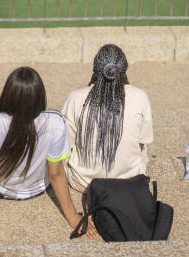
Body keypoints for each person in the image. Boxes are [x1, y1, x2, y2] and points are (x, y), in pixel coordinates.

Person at [0, 67, 93, 243]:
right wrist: (73, 217)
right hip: (38, 188)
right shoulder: (55, 122)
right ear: (40, 96)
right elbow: (55, 174)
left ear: (8, 94)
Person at [61, 45, 154, 194]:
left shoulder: (75, 98)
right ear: (124, 69)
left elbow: (66, 145)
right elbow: (142, 143)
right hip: (129, 180)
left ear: (95, 69)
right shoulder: (140, 97)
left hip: (83, 183)